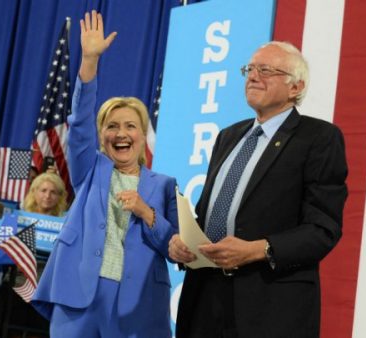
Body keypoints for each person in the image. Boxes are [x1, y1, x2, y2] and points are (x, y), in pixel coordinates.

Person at [168, 41, 348, 338]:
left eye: (266, 70)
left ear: (296, 86)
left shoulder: (318, 138)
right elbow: (209, 214)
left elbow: (323, 229)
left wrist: (259, 249)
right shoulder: (228, 136)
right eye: (249, 69)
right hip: (204, 300)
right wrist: (184, 242)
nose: (253, 76)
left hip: (269, 305)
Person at [32, 11, 179, 338]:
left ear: (143, 136)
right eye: (112, 126)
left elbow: (174, 245)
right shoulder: (91, 167)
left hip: (136, 305)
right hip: (78, 297)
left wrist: (146, 212)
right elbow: (80, 121)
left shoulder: (164, 186)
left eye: (130, 126)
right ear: (101, 136)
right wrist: (89, 60)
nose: (121, 133)